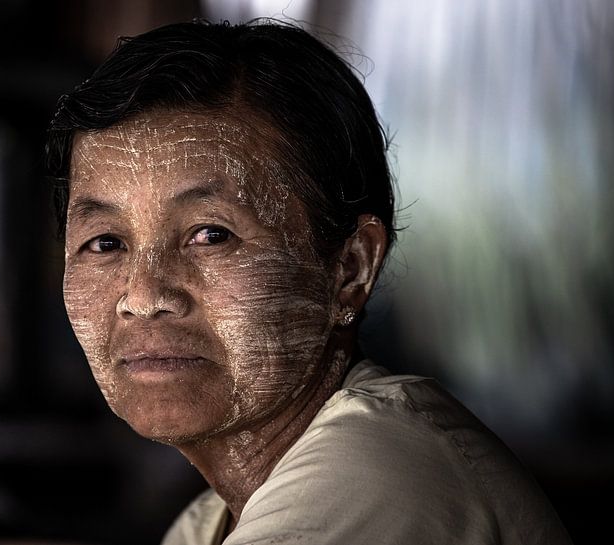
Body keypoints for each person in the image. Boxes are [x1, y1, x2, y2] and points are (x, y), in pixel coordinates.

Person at [46, 19, 573, 545]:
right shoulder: (206, 524)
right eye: (105, 243)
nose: (144, 297)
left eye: (211, 234)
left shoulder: (379, 470)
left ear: (349, 269)